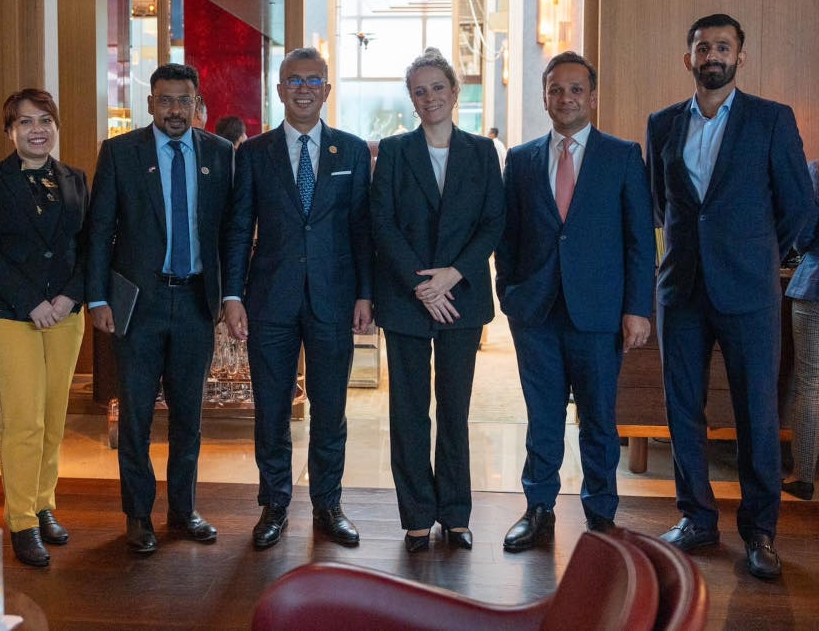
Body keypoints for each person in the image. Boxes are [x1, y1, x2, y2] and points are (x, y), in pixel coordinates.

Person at [647, 13, 812, 579]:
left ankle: (761, 531)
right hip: (681, 291)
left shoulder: (771, 119)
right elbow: (660, 203)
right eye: (702, 47)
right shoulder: (662, 123)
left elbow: (797, 207)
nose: (711, 55)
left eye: (723, 47)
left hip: (749, 293)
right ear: (687, 58)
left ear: (740, 57)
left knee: (756, 415)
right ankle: (696, 518)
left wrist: (756, 253)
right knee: (682, 411)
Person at [495, 51, 656, 552]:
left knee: (599, 419)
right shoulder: (520, 159)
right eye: (556, 89)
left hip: (599, 313)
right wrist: (511, 295)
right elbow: (507, 236)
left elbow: (640, 240)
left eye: (576, 89)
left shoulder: (623, 155)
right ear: (544, 96)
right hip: (536, 313)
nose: (566, 98)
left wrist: (638, 308)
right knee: (541, 417)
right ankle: (538, 509)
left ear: (592, 95)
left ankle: (601, 516)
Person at [222, 47, 374, 549]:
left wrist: (365, 295)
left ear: (327, 89)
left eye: (314, 80)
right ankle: (274, 505)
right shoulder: (255, 152)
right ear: (280, 89)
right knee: (271, 410)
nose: (304, 88)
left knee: (331, 410)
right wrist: (232, 295)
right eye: (294, 80)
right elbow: (240, 227)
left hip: (334, 300)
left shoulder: (351, 151)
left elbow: (361, 230)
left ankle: (329, 505)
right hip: (270, 299)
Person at [86, 63, 233, 553]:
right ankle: (138, 515)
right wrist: (98, 296)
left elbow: (230, 234)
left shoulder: (220, 153)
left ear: (197, 104)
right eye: (165, 100)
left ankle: (183, 510)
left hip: (196, 302)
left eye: (184, 100)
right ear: (150, 103)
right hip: (139, 306)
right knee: (136, 416)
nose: (175, 110)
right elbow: (99, 230)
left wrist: (231, 295)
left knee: (190, 416)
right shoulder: (120, 153)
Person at [370, 48, 504, 552]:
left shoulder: (482, 152)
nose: (430, 98)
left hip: (462, 298)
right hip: (408, 300)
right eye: (420, 90)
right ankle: (416, 515)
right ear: (412, 98)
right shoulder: (394, 150)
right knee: (408, 410)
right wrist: (421, 284)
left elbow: (494, 221)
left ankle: (455, 512)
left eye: (438, 88)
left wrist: (453, 274)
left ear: (455, 92)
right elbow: (380, 223)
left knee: (454, 409)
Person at [0, 89, 88, 567]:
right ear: (9, 131)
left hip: (66, 316)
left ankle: (43, 505)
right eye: (25, 122)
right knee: (23, 421)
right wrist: (31, 301)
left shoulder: (76, 180)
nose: (37, 129)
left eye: (45, 120)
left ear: (56, 127)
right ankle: (20, 520)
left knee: (54, 417)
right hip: (9, 315)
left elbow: (91, 245)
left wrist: (68, 296)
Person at [783, 160, 819, 501]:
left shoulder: (817, 170)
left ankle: (803, 476)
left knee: (810, 383)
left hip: (814, 286)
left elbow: (803, 231)